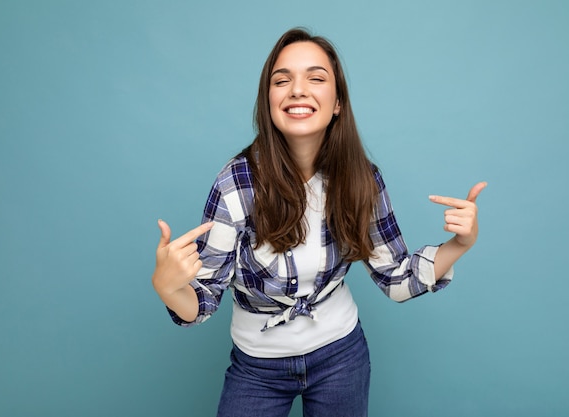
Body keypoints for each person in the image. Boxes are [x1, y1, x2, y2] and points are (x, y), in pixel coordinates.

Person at [151, 28, 486, 417]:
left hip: (341, 358)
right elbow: (203, 300)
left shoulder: (363, 179)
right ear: (269, 100)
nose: (297, 89)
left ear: (338, 101)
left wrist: (460, 245)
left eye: (315, 78)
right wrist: (167, 286)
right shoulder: (237, 185)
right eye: (282, 80)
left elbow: (396, 280)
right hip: (256, 368)